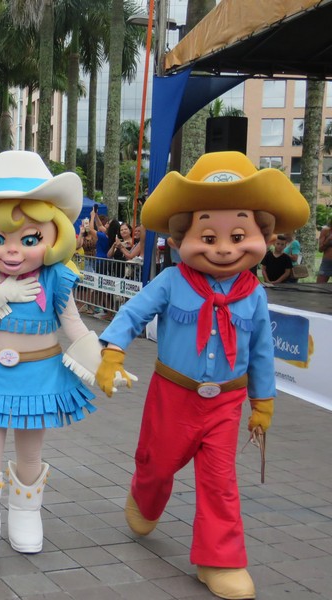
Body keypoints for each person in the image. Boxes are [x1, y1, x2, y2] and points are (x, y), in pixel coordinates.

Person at [95, 151, 309, 600]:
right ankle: (145, 495)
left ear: (262, 235)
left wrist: (262, 403)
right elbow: (133, 312)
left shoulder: (254, 295)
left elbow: (262, 353)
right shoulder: (172, 281)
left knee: (219, 481)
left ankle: (219, 560)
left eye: (238, 234)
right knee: (158, 465)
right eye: (208, 235)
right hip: (173, 396)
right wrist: (112, 353)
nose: (225, 247)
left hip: (225, 404)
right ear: (183, 236)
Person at [0, 151, 99, 564]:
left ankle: (26, 513)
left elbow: (76, 327)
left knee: (31, 451)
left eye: (29, 239)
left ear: (53, 237)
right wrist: (2, 292)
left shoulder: (56, 278)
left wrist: (104, 364)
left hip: (39, 375)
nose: (12, 251)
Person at [318, 217, 332, 283]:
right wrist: (328, 240)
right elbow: (320, 249)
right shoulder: (326, 231)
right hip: (327, 262)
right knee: (319, 286)